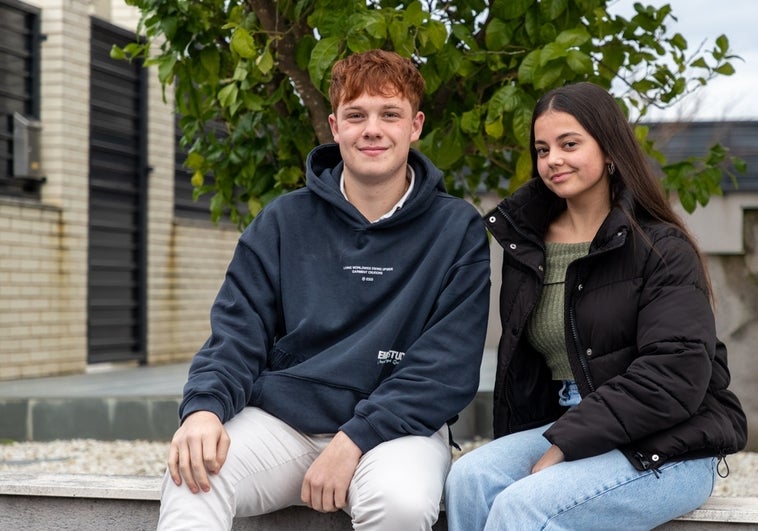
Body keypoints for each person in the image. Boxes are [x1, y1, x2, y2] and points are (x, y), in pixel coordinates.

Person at [157, 49, 491, 530]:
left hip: (396, 431)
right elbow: (236, 334)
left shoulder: (455, 228)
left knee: (399, 502)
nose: (372, 129)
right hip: (283, 423)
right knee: (193, 475)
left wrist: (354, 439)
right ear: (335, 128)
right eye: (356, 115)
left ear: (414, 126)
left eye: (389, 114)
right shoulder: (283, 220)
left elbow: (446, 367)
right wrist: (205, 409)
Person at [444, 81, 747, 531]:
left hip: (669, 440)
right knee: (468, 478)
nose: (553, 160)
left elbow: (674, 373)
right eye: (543, 149)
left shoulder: (661, 247)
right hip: (570, 420)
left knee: (523, 505)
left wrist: (563, 447)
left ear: (608, 150)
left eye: (569, 144)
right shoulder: (527, 245)